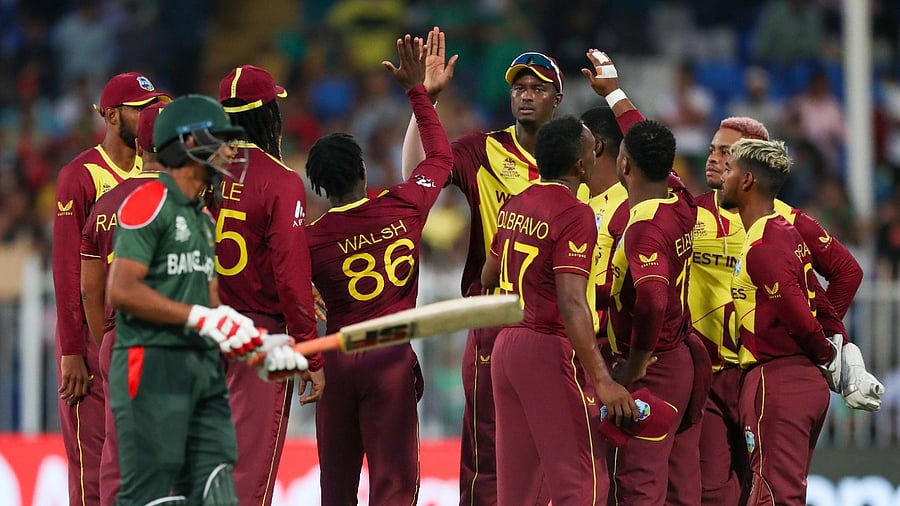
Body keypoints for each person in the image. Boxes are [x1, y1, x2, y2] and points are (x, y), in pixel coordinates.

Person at [105, 94, 307, 505]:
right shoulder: (149, 201)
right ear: (191, 145)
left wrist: (258, 344)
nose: (233, 151)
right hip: (152, 369)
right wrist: (199, 318)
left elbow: (215, 311)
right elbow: (120, 290)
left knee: (216, 489)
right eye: (223, 140)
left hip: (200, 373)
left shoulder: (202, 218)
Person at [401, 27, 563, 504]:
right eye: (518, 87)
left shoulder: (580, 155)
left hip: (561, 321)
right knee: (486, 454)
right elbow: (418, 175)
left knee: (560, 455)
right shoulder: (483, 149)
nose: (525, 96)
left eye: (537, 88)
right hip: (494, 315)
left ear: (558, 97)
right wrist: (423, 104)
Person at [304, 33, 451, 505]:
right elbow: (441, 159)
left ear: (321, 188)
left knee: (337, 487)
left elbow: (286, 286)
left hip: (338, 360)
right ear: (364, 171)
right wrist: (419, 94)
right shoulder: (404, 206)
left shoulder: (310, 240)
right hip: (389, 358)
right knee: (394, 485)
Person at [481, 115, 637, 506]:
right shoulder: (574, 213)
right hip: (547, 348)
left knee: (519, 488)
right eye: (591, 148)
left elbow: (488, 274)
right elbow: (571, 302)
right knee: (582, 483)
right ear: (581, 164)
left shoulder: (516, 202)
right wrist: (602, 380)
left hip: (507, 346)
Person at [53, 71, 169, 506]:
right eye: (140, 108)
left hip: (139, 341)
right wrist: (72, 350)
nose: (149, 114)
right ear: (111, 114)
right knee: (93, 463)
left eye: (153, 106)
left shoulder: (158, 171)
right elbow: (67, 270)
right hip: (91, 340)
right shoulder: (79, 175)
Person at [215, 63, 324, 506]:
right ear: (268, 117)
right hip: (258, 338)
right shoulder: (280, 180)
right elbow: (291, 277)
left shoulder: (196, 173)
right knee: (247, 473)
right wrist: (309, 352)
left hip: (196, 331)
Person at [720, 137, 841, 505]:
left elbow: (802, 317)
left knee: (772, 495)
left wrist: (828, 355)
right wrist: (832, 348)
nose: (721, 177)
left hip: (778, 380)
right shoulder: (785, 231)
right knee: (777, 492)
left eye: (728, 170)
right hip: (799, 382)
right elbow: (820, 303)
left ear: (747, 181)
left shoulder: (762, 247)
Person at [605, 119, 699, 505]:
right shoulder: (682, 199)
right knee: (672, 483)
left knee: (639, 483)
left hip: (652, 367)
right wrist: (614, 96)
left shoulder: (644, 228)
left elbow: (653, 299)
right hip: (678, 357)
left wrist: (633, 364)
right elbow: (652, 146)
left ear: (624, 164)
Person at [80, 101, 167, 506]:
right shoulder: (186, 204)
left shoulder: (104, 206)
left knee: (118, 458)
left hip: (120, 342)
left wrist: (106, 343)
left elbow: (89, 291)